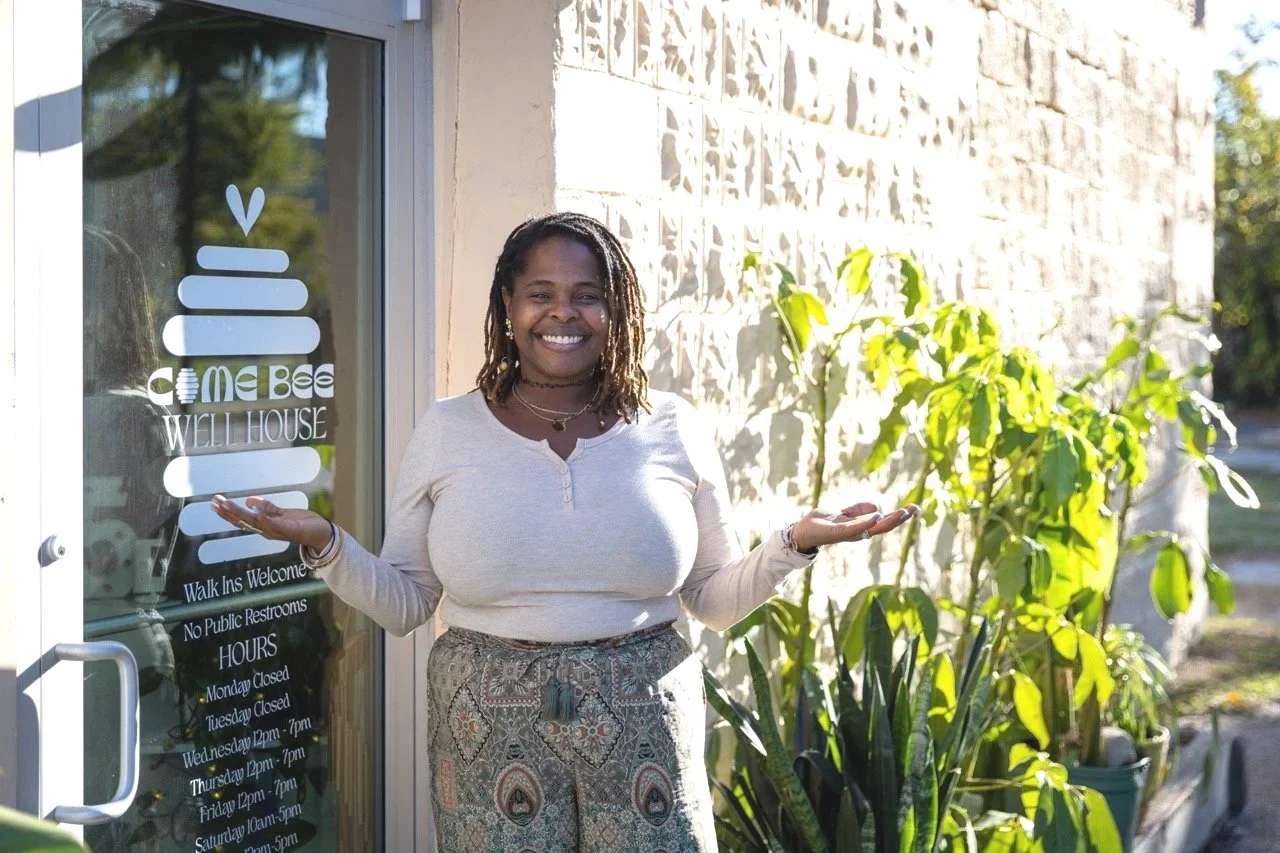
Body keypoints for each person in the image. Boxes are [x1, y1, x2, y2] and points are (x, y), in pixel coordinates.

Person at [212, 212, 918, 852]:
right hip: (484, 722)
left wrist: (795, 542)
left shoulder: (673, 427)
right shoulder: (447, 430)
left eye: (587, 294)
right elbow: (406, 603)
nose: (563, 312)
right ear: (509, 308)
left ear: (616, 311)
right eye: (540, 292)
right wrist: (324, 542)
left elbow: (711, 597)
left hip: (645, 714)